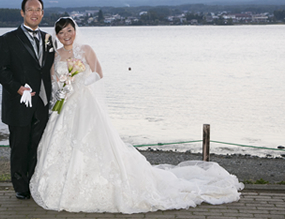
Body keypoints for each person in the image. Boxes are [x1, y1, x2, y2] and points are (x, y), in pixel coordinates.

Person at [29, 17, 243, 213]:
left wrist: (80, 82)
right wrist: (63, 86)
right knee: (62, 142)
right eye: (61, 33)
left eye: (69, 31)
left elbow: (98, 73)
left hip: (85, 103)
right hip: (65, 105)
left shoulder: (85, 49)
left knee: (92, 141)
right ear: (57, 36)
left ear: (75, 30)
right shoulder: (56, 55)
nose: (66, 36)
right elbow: (54, 79)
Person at [0, 0, 55, 200]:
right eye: (30, 9)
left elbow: (51, 69)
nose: (34, 13)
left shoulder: (49, 39)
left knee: (38, 146)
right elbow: (1, 71)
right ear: (22, 13)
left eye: (38, 9)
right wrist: (18, 88)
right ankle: (20, 187)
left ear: (43, 13)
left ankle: (34, 182)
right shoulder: (7, 39)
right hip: (19, 102)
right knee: (19, 146)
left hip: (42, 103)